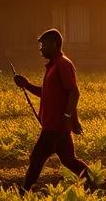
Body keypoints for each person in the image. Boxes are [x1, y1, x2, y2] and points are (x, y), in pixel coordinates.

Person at [12, 28, 92, 192]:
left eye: (44, 44)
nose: (41, 48)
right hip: (56, 124)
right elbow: (46, 94)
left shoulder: (63, 64)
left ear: (55, 44)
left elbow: (73, 91)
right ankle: (94, 183)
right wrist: (26, 85)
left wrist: (68, 116)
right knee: (69, 160)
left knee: (36, 158)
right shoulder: (53, 66)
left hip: (55, 125)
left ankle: (24, 191)